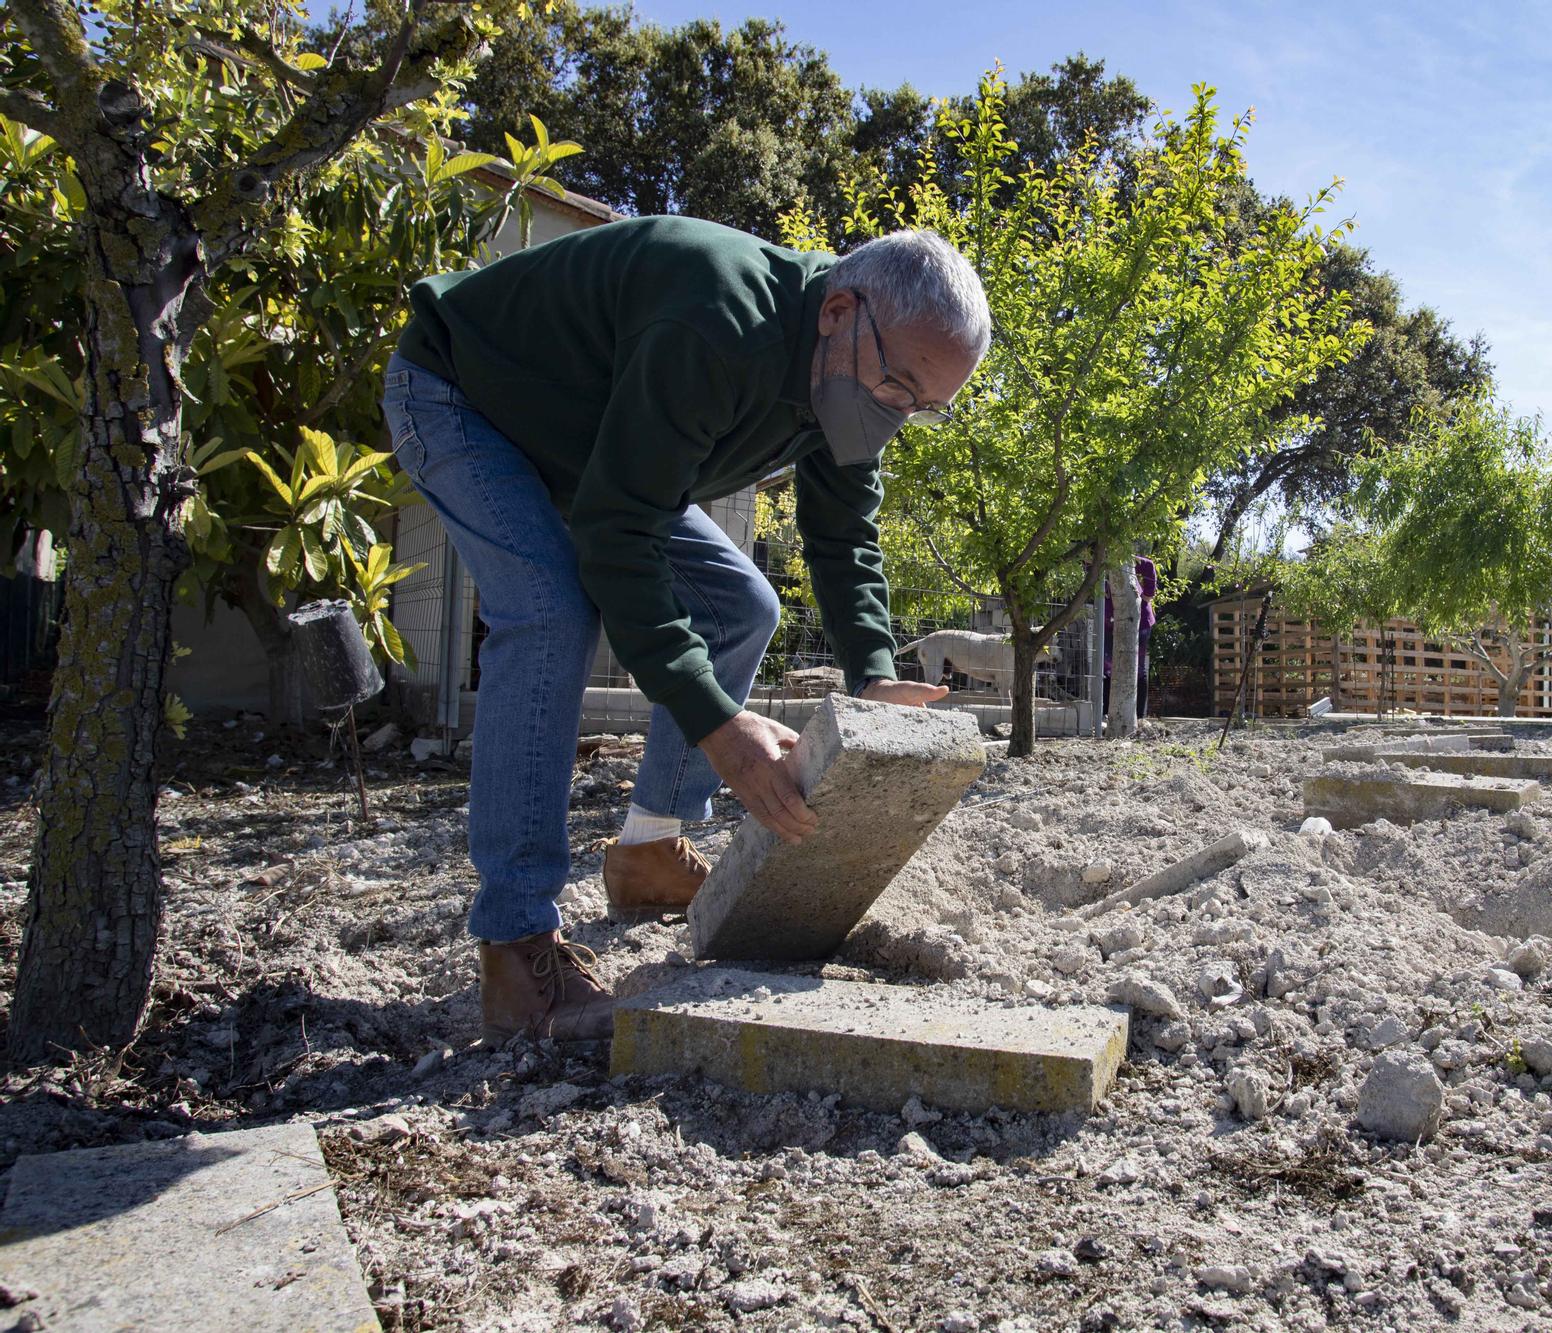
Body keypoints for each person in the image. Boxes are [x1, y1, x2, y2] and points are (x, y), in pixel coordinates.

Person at [381, 216, 989, 1041]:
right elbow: (616, 535)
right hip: (466, 396)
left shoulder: (853, 369)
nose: (899, 412)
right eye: (898, 386)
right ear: (839, 309)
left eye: (924, 407)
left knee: (742, 605)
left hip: (591, 449)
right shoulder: (715, 324)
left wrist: (873, 671)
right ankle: (518, 948)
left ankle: (646, 850)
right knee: (551, 615)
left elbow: (843, 534)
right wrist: (717, 726)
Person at [1103, 554, 1158, 719]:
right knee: (1108, 668)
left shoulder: (1119, 556)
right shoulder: (1089, 564)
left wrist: (1147, 594)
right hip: (1109, 623)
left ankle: (1139, 717)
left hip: (1138, 622)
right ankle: (1107, 715)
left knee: (1138, 669)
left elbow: (1148, 565)